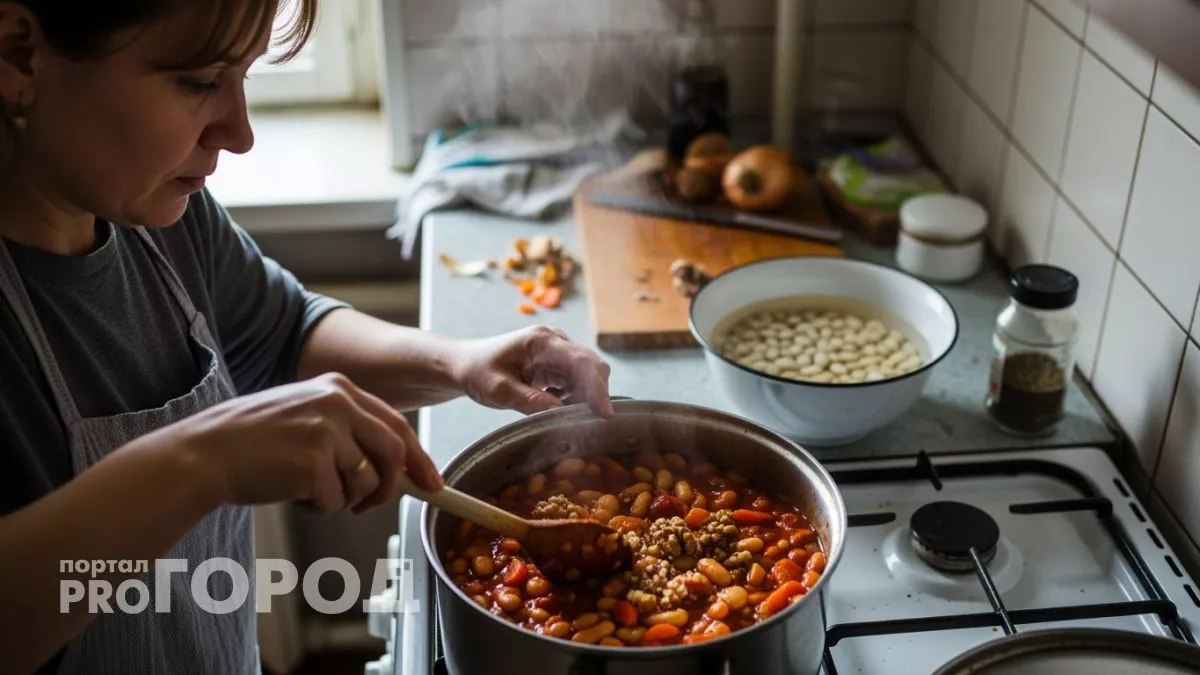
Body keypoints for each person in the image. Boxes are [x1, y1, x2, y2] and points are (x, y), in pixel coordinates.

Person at [0, 1, 614, 673]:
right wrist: (206, 461)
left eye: (246, 78)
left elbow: (285, 334)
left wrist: (462, 362)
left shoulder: (159, 216)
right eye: (200, 82)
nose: (240, 135)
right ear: (18, 52)